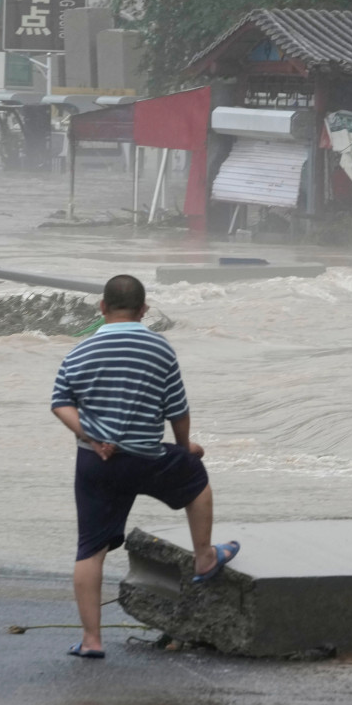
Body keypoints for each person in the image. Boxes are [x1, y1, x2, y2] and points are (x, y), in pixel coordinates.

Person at [50, 274, 239, 659]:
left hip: (96, 462)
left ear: (102, 307)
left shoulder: (80, 351)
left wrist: (89, 436)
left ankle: (91, 641)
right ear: (144, 310)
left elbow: (60, 402)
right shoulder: (159, 348)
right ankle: (204, 555)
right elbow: (177, 409)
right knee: (196, 479)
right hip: (146, 458)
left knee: (90, 549)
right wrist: (186, 449)